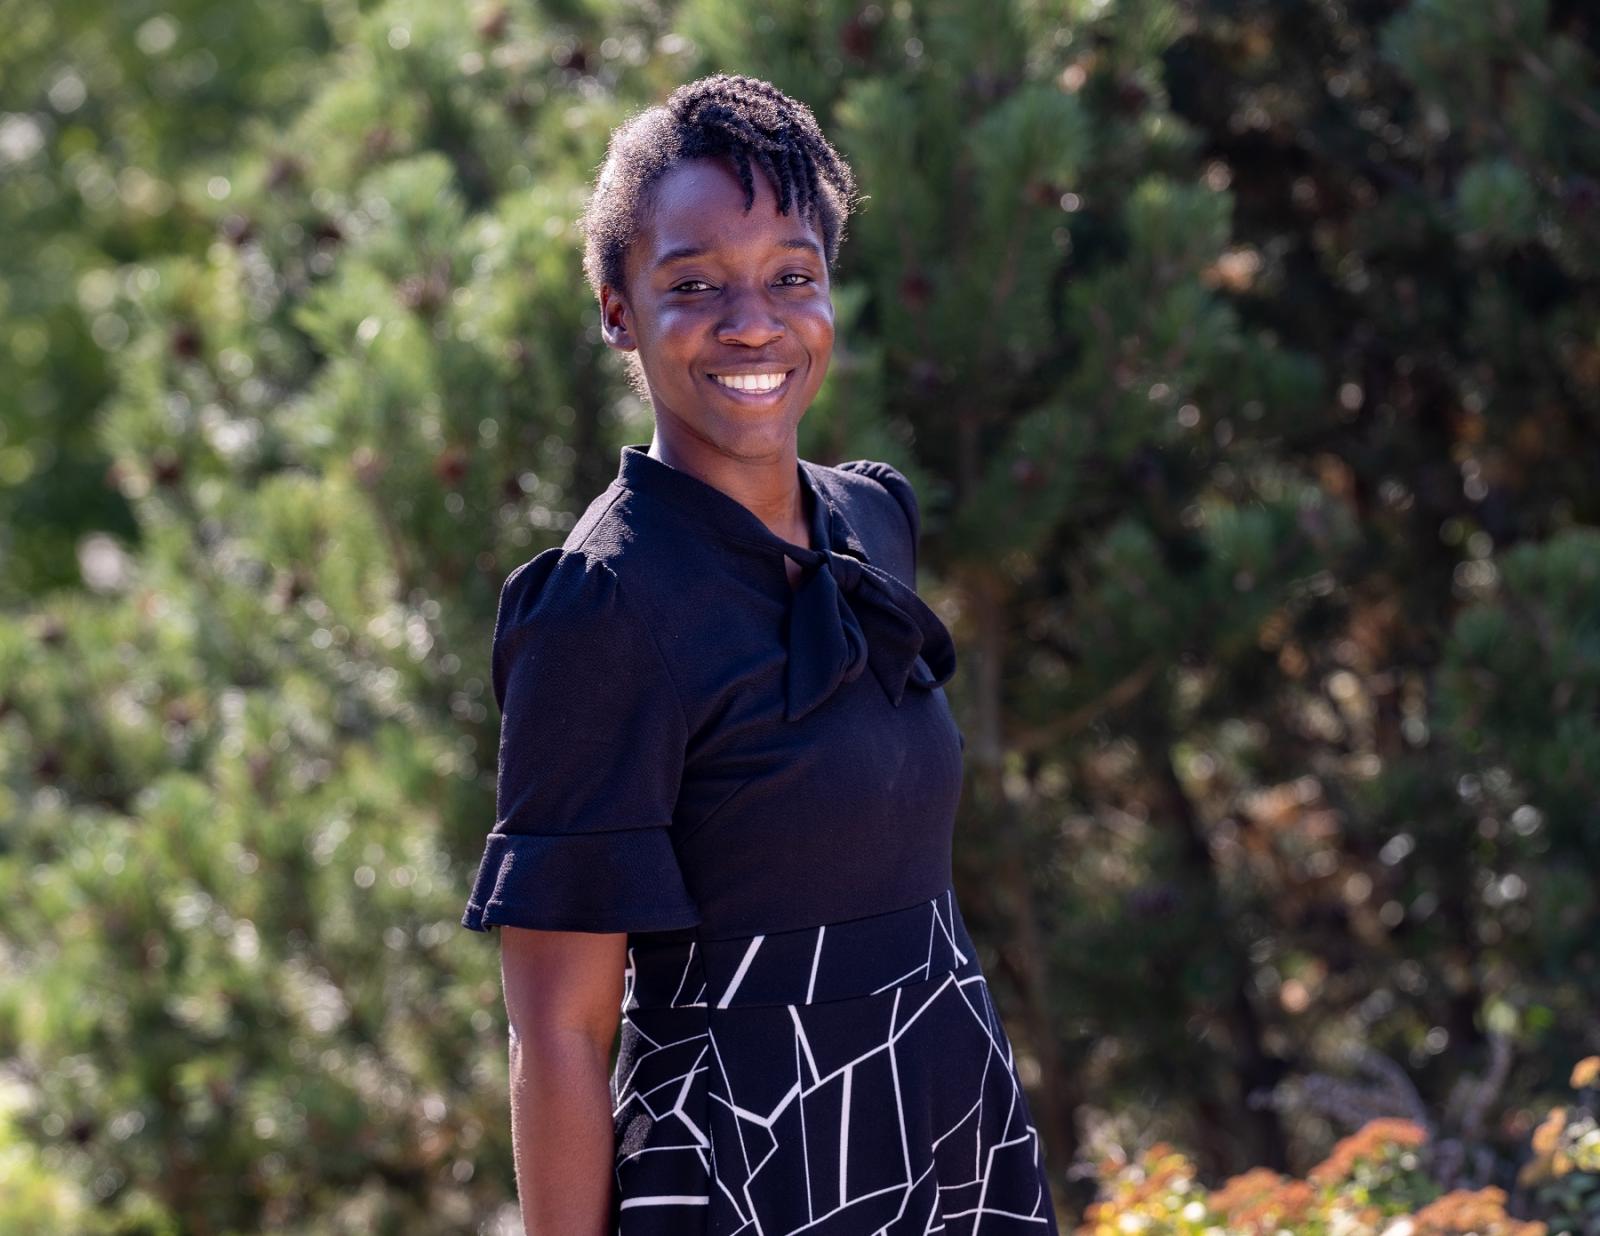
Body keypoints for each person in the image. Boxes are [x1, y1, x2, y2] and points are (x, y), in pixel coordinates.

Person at [461, 72, 1059, 1235]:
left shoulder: (873, 524)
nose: (752, 322)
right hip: (748, 1170)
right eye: (693, 284)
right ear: (617, 309)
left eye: (792, 274)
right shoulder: (600, 607)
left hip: (950, 1132)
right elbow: (560, 1033)